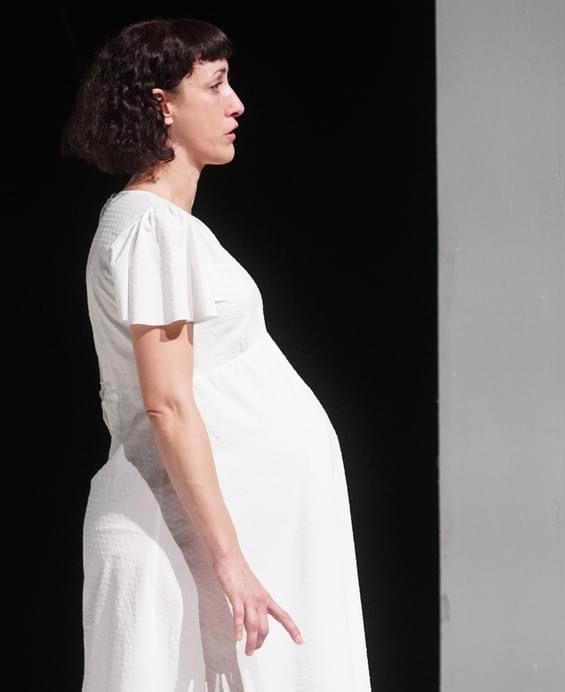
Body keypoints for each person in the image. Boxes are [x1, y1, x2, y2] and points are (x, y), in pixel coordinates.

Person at [63, 18, 370, 690]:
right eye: (216, 85)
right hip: (176, 540)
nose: (237, 104)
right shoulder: (150, 227)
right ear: (163, 105)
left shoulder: (168, 227)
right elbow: (168, 405)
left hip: (209, 540)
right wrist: (230, 561)